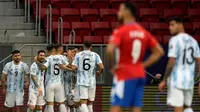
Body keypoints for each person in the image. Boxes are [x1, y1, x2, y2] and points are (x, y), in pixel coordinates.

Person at [106, 2, 164, 112]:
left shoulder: (121, 30)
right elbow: (159, 52)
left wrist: (112, 66)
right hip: (139, 73)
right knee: (136, 107)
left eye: (120, 9)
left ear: (127, 12)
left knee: (116, 106)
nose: (118, 12)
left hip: (124, 72)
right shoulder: (143, 32)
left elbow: (109, 50)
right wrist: (142, 65)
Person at [159, 17, 200, 112]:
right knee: (187, 107)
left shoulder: (175, 40)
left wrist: (164, 80)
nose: (170, 28)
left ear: (180, 25)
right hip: (189, 80)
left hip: (176, 79)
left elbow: (172, 61)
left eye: (172, 25)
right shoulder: (193, 41)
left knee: (178, 108)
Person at [35, 44, 71, 112]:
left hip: (50, 83)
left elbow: (43, 67)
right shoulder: (62, 57)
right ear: (54, 49)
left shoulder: (48, 58)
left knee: (50, 104)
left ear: (48, 51)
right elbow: (69, 66)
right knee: (61, 104)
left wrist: (36, 61)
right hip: (59, 83)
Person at [72, 40, 104, 112]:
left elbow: (73, 68)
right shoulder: (95, 55)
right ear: (91, 47)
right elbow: (102, 67)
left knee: (83, 102)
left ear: (83, 46)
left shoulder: (78, 55)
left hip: (82, 82)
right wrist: (99, 72)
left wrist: (77, 68)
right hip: (92, 82)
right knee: (90, 102)